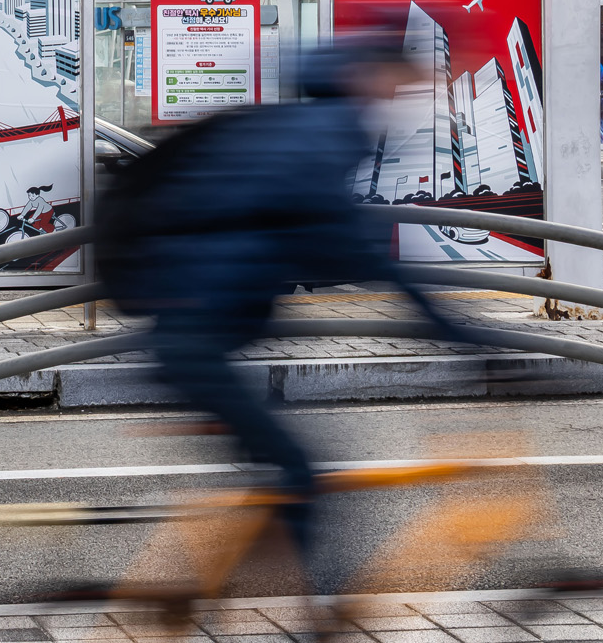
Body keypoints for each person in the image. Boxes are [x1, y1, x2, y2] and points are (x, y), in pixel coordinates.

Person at [98, 31, 489, 568]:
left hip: (194, 327)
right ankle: (316, 617)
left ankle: (240, 577)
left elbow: (315, 242)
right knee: (301, 471)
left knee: (286, 473)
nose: (399, 97)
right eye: (395, 83)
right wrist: (463, 335)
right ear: (359, 80)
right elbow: (354, 252)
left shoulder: (293, 131)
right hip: (193, 337)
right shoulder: (320, 138)